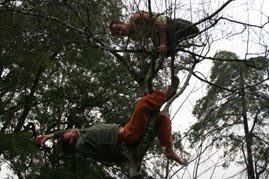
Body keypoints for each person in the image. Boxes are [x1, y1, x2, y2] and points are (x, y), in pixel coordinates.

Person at [35, 76, 187, 164]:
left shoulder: (82, 134)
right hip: (128, 135)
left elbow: (63, 133)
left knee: (162, 118)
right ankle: (166, 94)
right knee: (142, 105)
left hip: (128, 130)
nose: (69, 130)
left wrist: (48, 136)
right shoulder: (81, 144)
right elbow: (100, 156)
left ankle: (168, 149)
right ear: (69, 142)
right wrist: (122, 158)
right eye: (68, 134)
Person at [109, 11, 199, 58]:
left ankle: (178, 23)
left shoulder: (136, 17)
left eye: (119, 28)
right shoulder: (133, 37)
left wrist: (162, 43)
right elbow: (150, 36)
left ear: (122, 23)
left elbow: (160, 24)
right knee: (164, 53)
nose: (121, 32)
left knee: (194, 31)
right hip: (157, 34)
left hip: (167, 24)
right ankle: (175, 39)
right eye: (118, 33)